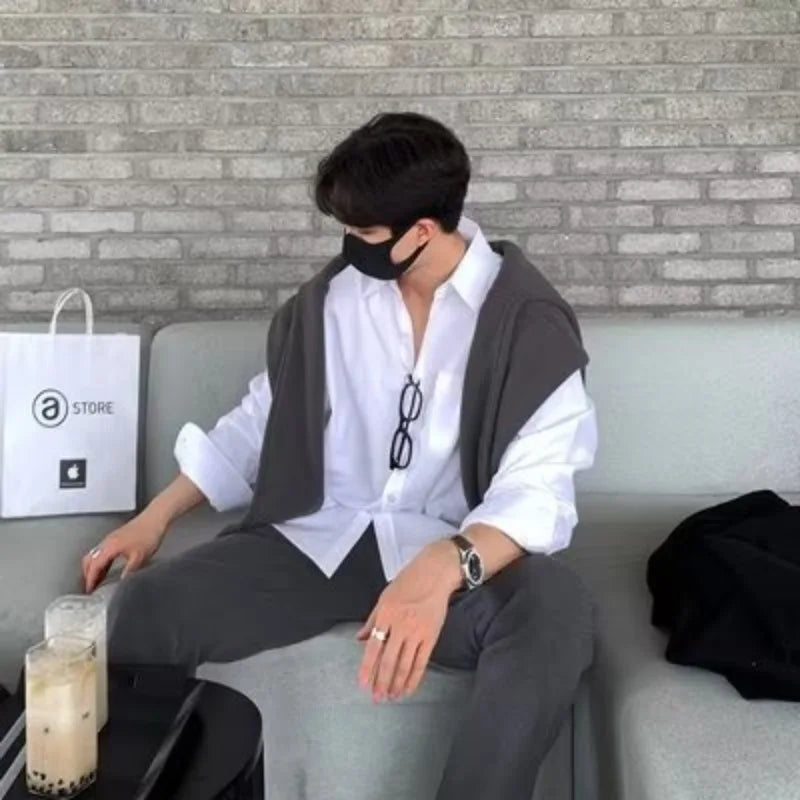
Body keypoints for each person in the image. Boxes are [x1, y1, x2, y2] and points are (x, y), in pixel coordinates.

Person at [84, 112, 598, 800]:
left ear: (423, 231)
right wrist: (157, 516)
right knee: (147, 605)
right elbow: (262, 421)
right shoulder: (332, 303)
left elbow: (539, 489)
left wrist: (441, 568)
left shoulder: (529, 323)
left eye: (364, 233)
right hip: (318, 540)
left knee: (555, 610)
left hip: (451, 556)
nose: (349, 246)